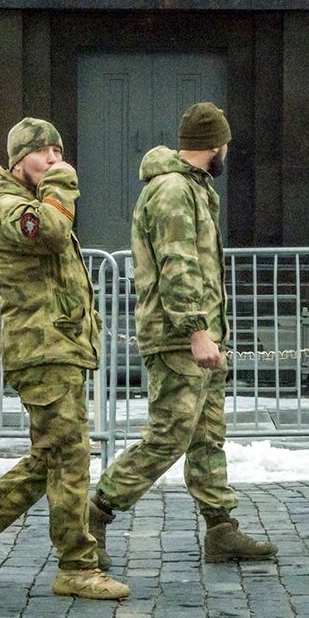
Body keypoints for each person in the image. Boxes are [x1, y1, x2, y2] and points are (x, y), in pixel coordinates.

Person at [0, 118, 129, 601]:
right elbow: (53, 232)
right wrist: (62, 181)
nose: (55, 159)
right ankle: (76, 566)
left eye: (59, 151)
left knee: (54, 456)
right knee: (69, 457)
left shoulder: (33, 201)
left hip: (57, 347)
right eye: (44, 153)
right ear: (19, 159)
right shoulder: (7, 208)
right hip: (40, 350)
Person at [89, 102, 277, 567]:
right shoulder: (173, 190)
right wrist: (196, 330)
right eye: (226, 144)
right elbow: (179, 264)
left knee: (207, 435)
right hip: (180, 339)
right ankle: (93, 514)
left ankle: (221, 529)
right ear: (215, 145)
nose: (226, 152)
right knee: (169, 436)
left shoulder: (192, 188)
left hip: (200, 335)